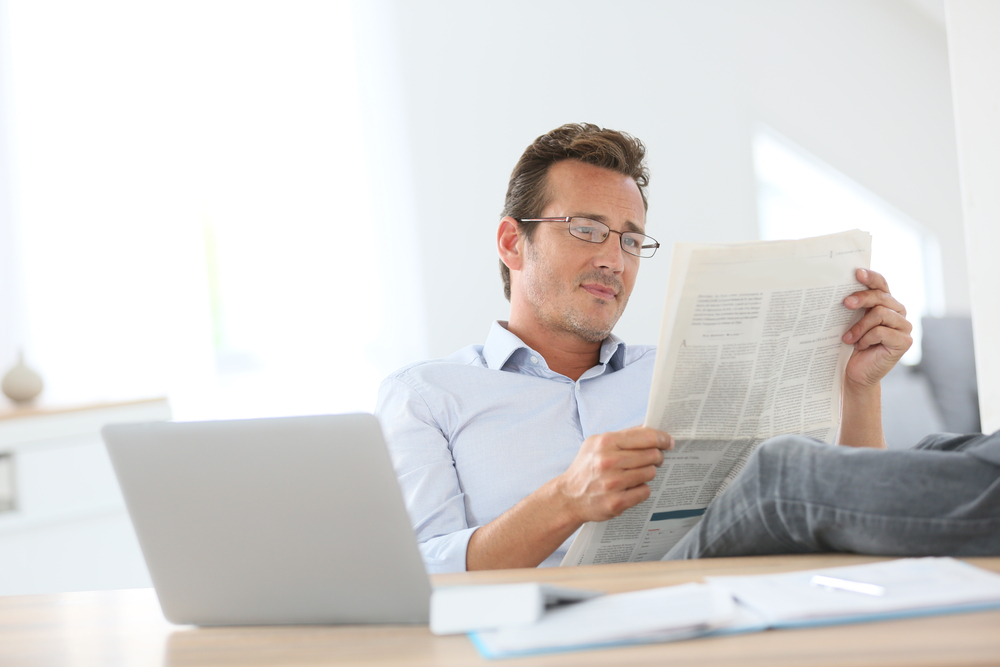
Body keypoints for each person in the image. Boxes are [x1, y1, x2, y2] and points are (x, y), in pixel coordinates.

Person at [375, 123, 996, 573]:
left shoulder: (672, 369)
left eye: (629, 240)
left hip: (706, 592)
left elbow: (843, 507)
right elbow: (427, 573)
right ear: (513, 243)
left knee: (949, 449)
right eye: (587, 229)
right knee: (782, 471)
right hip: (553, 624)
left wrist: (859, 388)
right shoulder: (428, 395)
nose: (612, 259)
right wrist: (565, 500)